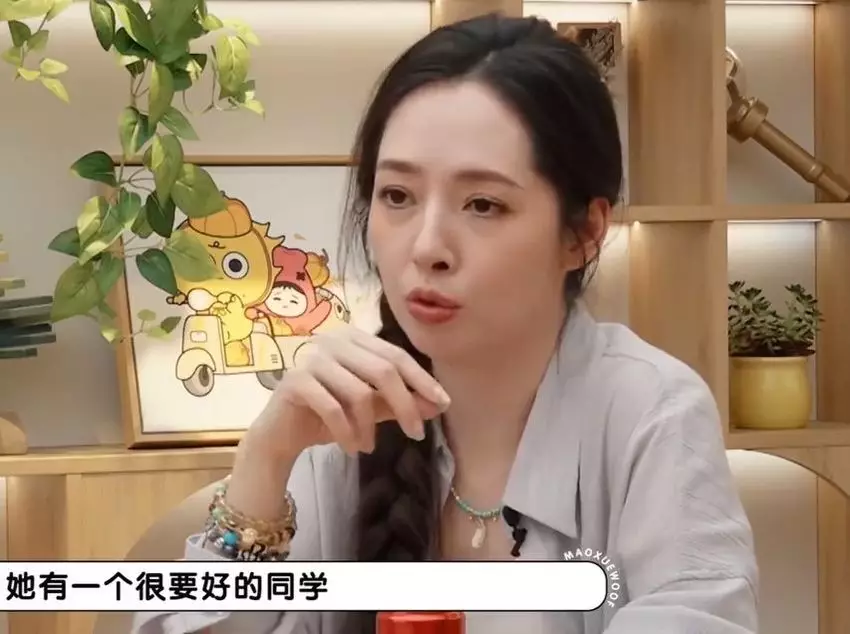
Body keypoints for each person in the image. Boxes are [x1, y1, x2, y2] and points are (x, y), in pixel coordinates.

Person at [132, 12, 759, 634]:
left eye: (483, 204)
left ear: (584, 233)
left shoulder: (652, 415)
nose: (427, 246)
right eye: (397, 196)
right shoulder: (340, 423)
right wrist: (265, 460)